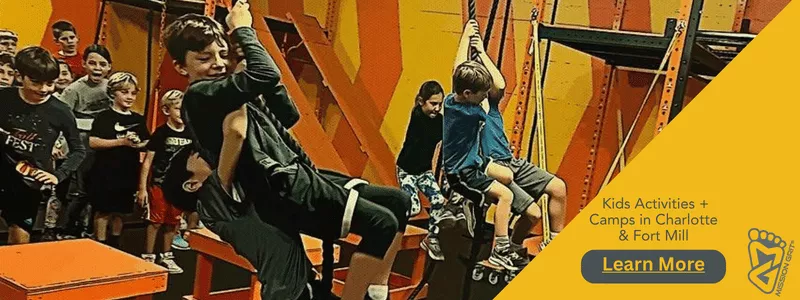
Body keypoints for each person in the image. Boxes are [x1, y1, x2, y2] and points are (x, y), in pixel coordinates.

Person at [164, 3, 409, 299]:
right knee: (382, 223)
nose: (217, 63)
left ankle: (377, 289)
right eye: (204, 58)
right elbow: (246, 112)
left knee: (398, 201)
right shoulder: (199, 96)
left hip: (298, 174)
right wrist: (244, 31)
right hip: (282, 186)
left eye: (222, 54)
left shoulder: (227, 90)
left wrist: (247, 64)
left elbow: (288, 115)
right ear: (181, 67)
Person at [442, 21, 538, 271]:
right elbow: (500, 85)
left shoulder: (451, 101)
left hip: (474, 160)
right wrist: (479, 50)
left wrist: (467, 36)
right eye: (482, 93)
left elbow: (457, 69)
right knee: (506, 195)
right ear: (467, 94)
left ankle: (479, 198)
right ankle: (501, 248)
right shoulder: (473, 114)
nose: (486, 95)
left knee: (507, 175)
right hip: (462, 171)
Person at [471, 28, 568, 252]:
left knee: (558, 188)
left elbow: (500, 84)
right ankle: (509, 248)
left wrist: (481, 52)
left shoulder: (491, 103)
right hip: (493, 167)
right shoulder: (467, 110)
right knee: (533, 214)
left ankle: (551, 243)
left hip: (511, 161)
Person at [0, 46, 86, 244]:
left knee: (20, 238)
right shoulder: (3, 98)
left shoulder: (60, 111)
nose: (44, 89)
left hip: (27, 183)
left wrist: (57, 175)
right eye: (36, 82)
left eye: (50, 83)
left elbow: (78, 150)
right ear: (19, 76)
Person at [87, 71, 149, 248]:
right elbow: (93, 142)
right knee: (103, 211)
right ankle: (100, 245)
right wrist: (121, 142)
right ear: (113, 93)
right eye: (124, 92)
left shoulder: (138, 119)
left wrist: (137, 143)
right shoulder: (103, 117)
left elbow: (147, 141)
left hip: (128, 172)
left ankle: (115, 243)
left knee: (120, 212)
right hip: (105, 172)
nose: (129, 97)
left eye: (133, 93)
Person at [396, 80, 455, 261]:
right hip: (407, 170)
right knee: (414, 208)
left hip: (423, 172)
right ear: (421, 102)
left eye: (440, 104)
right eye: (433, 103)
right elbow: (433, 129)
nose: (436, 108)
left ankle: (432, 237)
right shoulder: (417, 116)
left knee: (438, 200)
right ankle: (391, 224)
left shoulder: (439, 121)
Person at [59, 44, 113, 238]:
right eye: (92, 63)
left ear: (109, 67)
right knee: (81, 190)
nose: (97, 68)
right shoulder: (74, 90)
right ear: (84, 64)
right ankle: (67, 228)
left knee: (98, 188)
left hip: (105, 141)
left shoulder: (112, 88)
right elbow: (62, 118)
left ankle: (90, 228)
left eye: (102, 64)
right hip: (81, 140)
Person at [137, 89, 192, 273]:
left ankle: (167, 255)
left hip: (179, 187)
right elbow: (148, 162)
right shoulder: (161, 133)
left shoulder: (191, 133)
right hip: (159, 184)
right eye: (177, 108)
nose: (181, 113)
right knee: (155, 221)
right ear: (167, 110)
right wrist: (142, 188)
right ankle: (148, 256)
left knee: (173, 221)